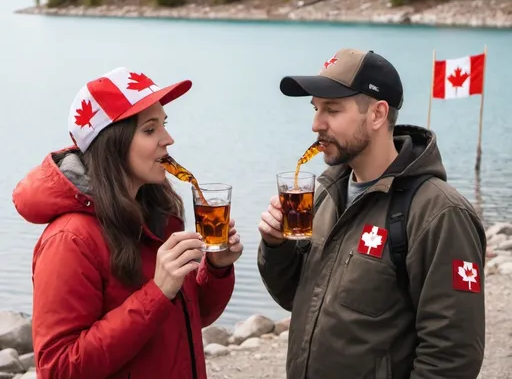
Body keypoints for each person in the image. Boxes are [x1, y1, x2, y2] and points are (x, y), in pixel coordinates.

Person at [257, 48, 486, 379]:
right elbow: (297, 297)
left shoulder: (439, 214)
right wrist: (277, 247)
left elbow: (452, 356)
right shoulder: (324, 196)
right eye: (315, 109)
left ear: (378, 114)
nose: (315, 124)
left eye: (332, 110)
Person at [13, 67, 243, 379]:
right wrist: (157, 291)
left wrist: (216, 268)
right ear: (113, 145)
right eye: (150, 130)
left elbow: (189, 317)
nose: (168, 139)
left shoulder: (157, 214)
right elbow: (58, 368)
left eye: (164, 125)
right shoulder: (70, 239)